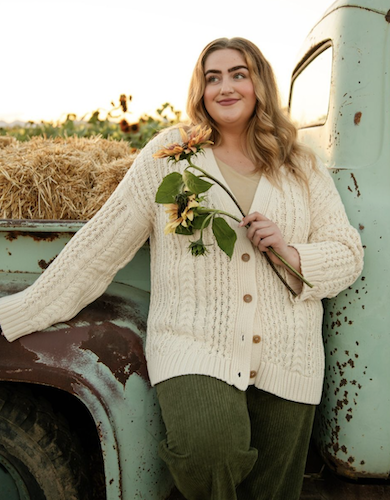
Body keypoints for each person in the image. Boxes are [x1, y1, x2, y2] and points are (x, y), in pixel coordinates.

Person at [0, 37, 363, 500]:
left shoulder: (300, 165)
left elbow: (348, 253)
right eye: (213, 77)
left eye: (239, 74)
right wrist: (18, 313)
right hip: (195, 343)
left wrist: (293, 255)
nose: (225, 87)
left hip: (289, 353)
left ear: (260, 85)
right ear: (200, 90)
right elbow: (99, 247)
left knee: (275, 490)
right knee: (208, 453)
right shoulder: (172, 153)